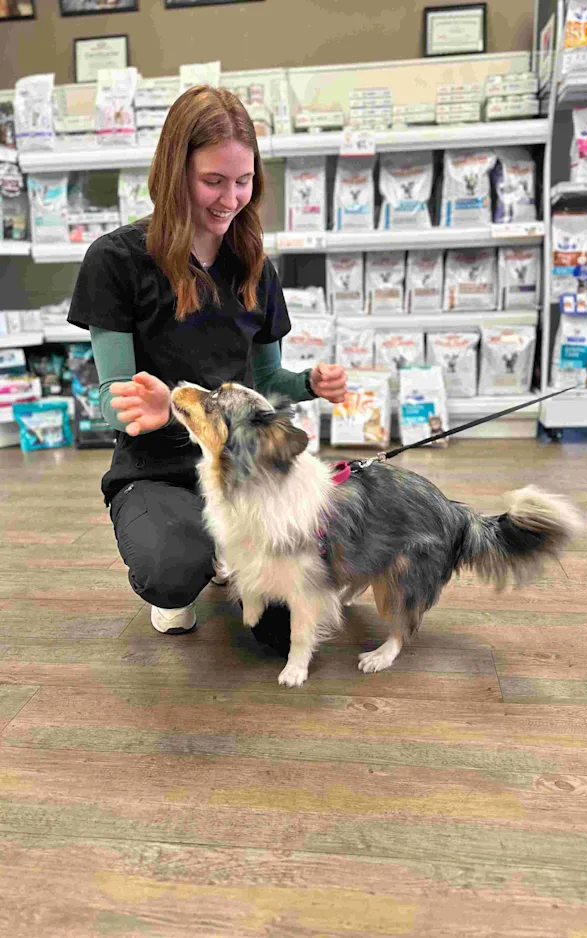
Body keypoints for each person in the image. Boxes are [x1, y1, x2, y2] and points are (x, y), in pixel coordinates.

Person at [67, 85, 347, 644]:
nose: (230, 198)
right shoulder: (116, 261)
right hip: (158, 470)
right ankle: (201, 558)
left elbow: (267, 384)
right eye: (213, 181)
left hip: (242, 471)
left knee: (284, 621)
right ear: (175, 174)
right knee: (171, 574)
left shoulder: (254, 269)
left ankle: (228, 546)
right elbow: (110, 400)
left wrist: (311, 384)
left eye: (243, 182)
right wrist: (142, 407)